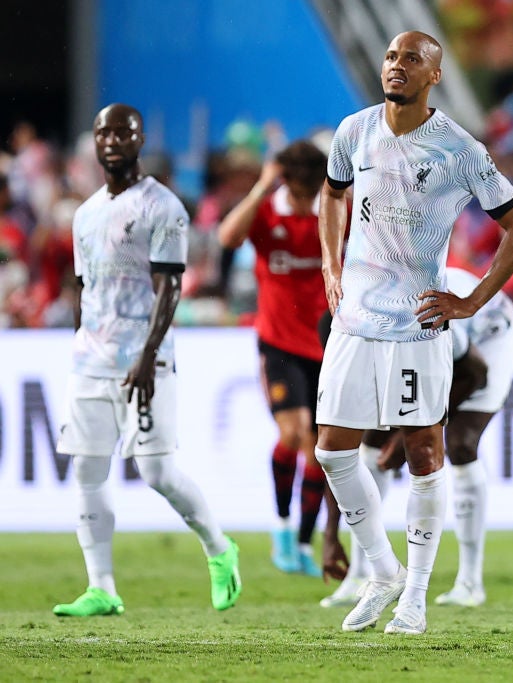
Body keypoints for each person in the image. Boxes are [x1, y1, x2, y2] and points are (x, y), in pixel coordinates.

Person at [315, 30, 513, 636]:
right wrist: (333, 266)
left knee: (423, 455)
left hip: (418, 324)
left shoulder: (459, 150)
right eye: (390, 56)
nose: (396, 66)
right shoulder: (353, 131)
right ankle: (382, 572)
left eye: (412, 59)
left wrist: (471, 299)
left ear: (433, 76)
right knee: (332, 450)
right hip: (356, 319)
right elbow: (331, 194)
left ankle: (414, 594)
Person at [53, 104, 242, 617]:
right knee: (87, 471)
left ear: (138, 141)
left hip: (144, 359)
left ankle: (219, 548)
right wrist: (79, 343)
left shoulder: (163, 206)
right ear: (93, 143)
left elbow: (170, 285)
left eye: (122, 132)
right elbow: (82, 286)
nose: (111, 140)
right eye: (102, 132)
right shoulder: (85, 213)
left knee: (156, 471)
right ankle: (102, 587)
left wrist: (148, 355)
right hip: (89, 362)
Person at [320, 266, 513, 609]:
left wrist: (402, 441)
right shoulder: (349, 327)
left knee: (459, 445)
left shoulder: (418, 309)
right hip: (422, 342)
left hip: (486, 340)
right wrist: (329, 533)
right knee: (366, 439)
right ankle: (360, 573)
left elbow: (475, 373)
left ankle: (470, 583)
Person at [218, 140, 329, 577]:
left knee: (321, 452)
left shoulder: (333, 212)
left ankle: (303, 541)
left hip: (326, 344)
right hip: (279, 344)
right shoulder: (267, 213)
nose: (303, 205)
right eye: (297, 195)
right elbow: (227, 237)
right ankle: (281, 528)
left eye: (310, 195)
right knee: (292, 433)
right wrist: (262, 187)